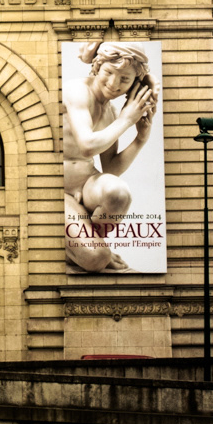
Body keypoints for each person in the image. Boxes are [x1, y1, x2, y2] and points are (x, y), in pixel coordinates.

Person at [63, 40, 159, 272]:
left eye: (125, 79)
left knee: (118, 193)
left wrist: (140, 139)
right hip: (56, 191)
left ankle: (87, 244)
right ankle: (89, 249)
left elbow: (111, 169)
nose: (114, 83)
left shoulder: (110, 111)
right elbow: (87, 146)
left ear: (134, 84)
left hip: (87, 185)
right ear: (97, 67)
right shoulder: (76, 90)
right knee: (97, 259)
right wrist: (126, 119)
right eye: (108, 72)